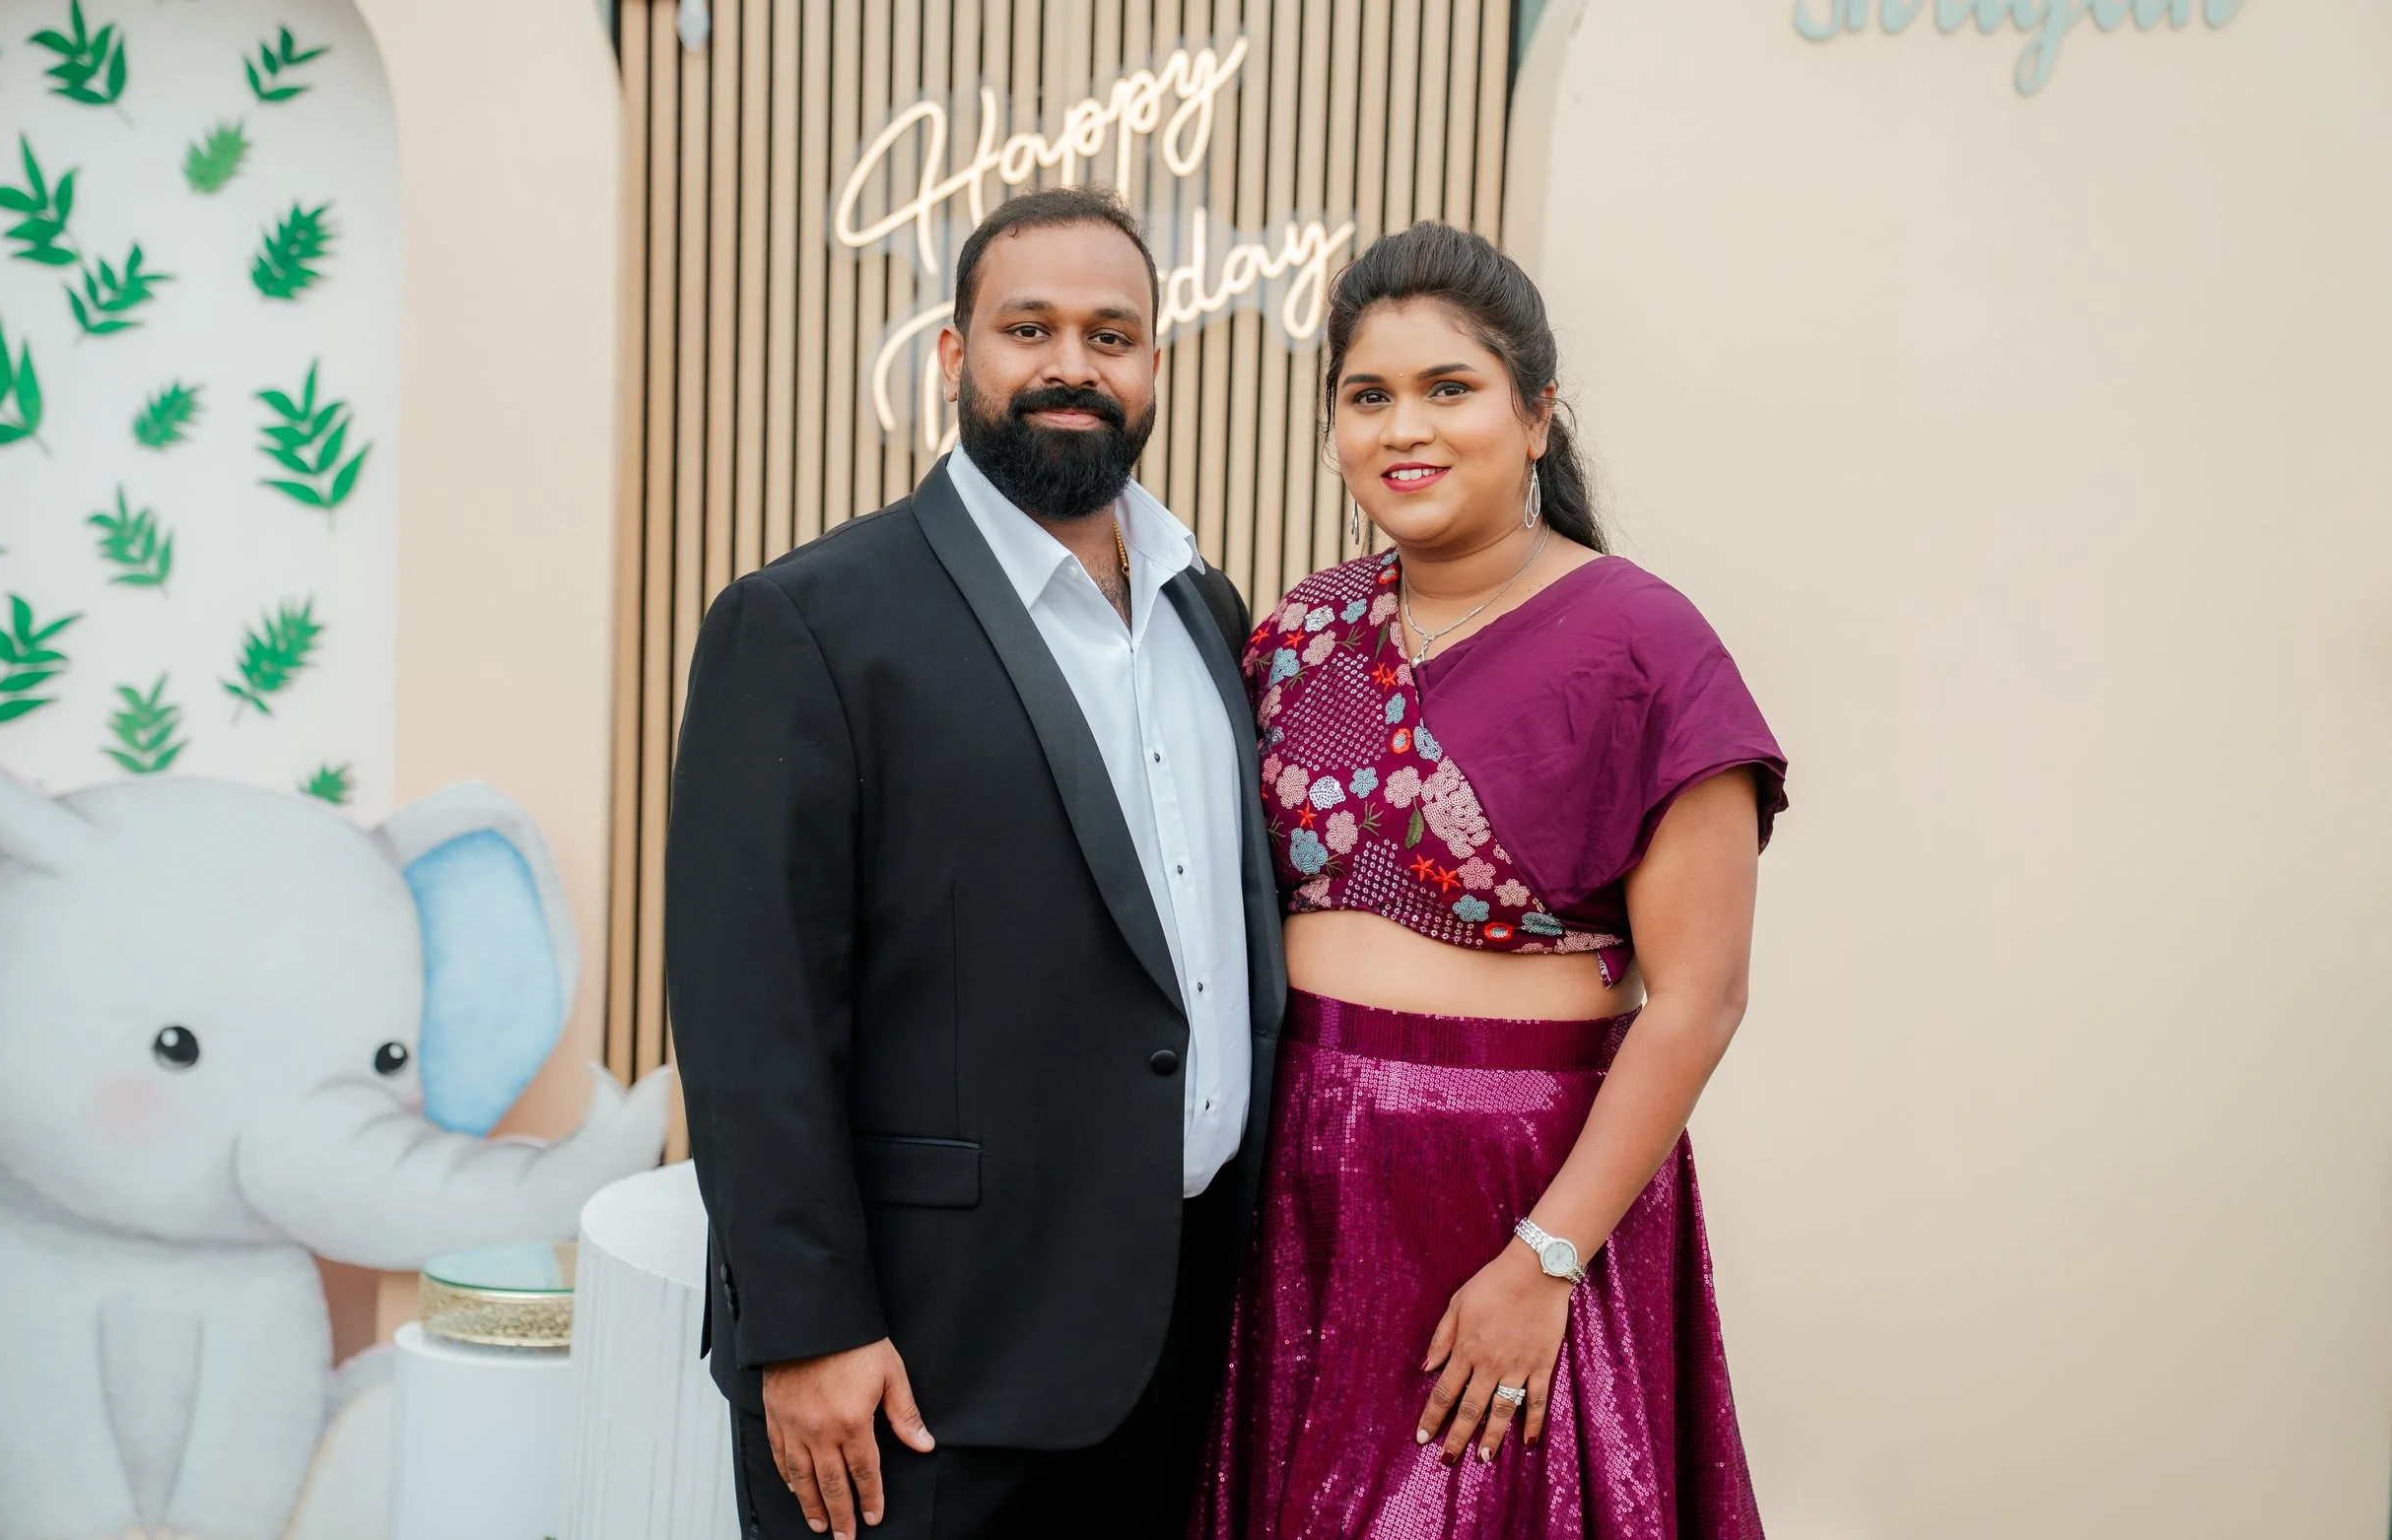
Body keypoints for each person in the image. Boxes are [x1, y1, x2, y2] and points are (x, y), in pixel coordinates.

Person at [664, 184, 1284, 1540]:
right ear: (954, 356)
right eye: (1029, 327)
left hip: (1172, 1348)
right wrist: (808, 1326)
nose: (1072, 364)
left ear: (1156, 365)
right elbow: (747, 1015)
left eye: (1111, 335)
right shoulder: (809, 623)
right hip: (913, 1371)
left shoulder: (1205, 609)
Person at [1194, 222, 1786, 1538]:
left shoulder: (1646, 646)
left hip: (1513, 1185)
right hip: (1299, 1181)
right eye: (1368, 396)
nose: (1404, 428)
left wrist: (1546, 1257)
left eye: (1448, 388)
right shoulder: (1301, 632)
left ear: (1536, 415)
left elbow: (1699, 999)